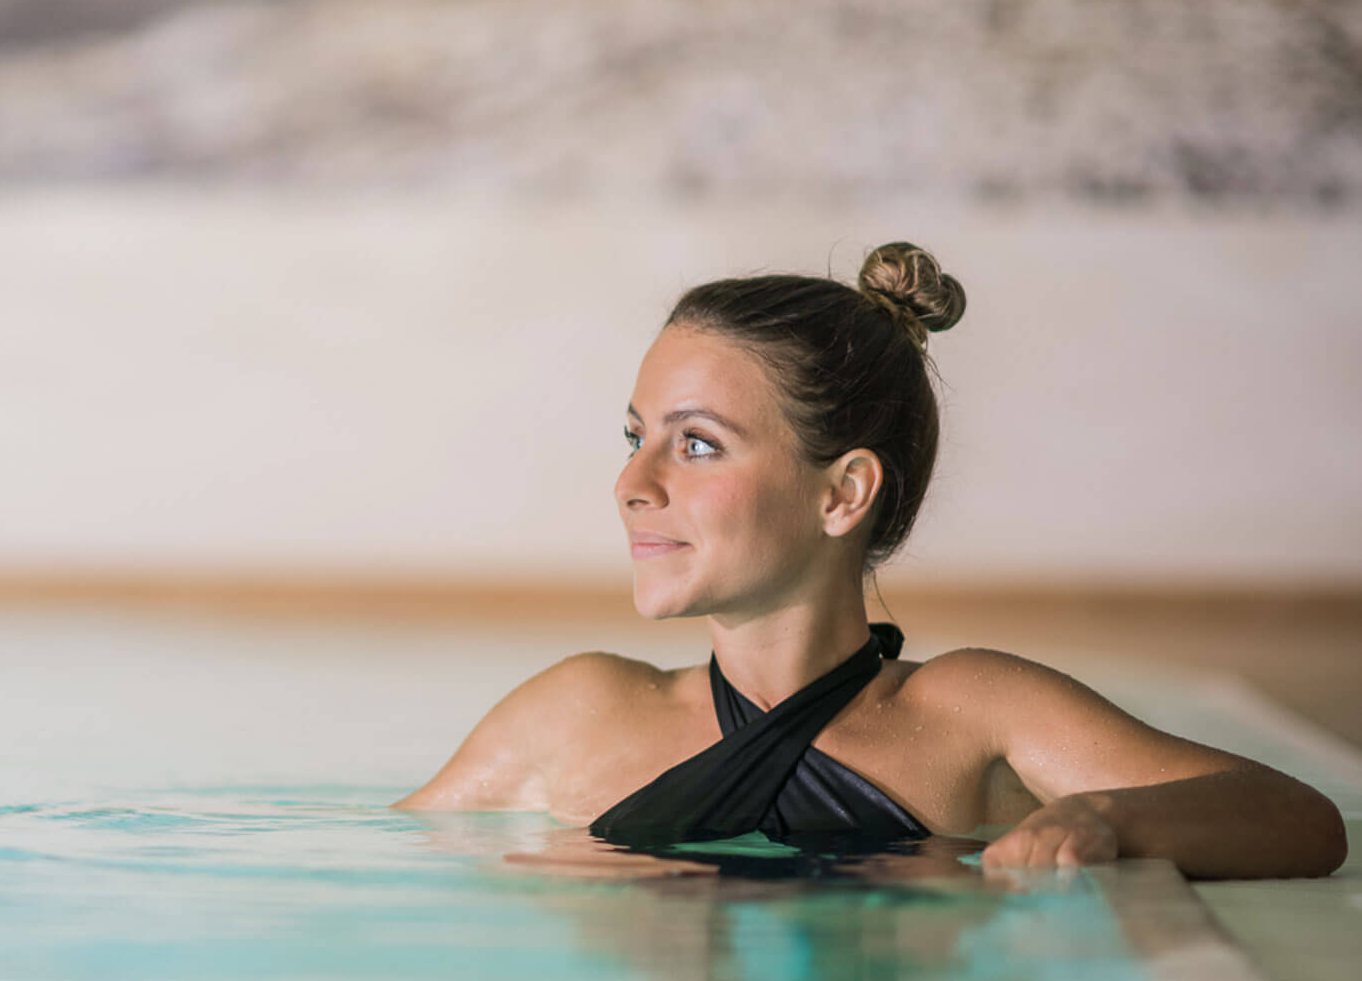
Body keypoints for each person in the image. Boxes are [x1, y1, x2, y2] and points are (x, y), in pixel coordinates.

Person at [394, 242, 1347, 881]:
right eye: (635, 436)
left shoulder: (973, 713)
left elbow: (1298, 817)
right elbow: (388, 862)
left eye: (696, 445)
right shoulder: (575, 713)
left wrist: (1109, 821)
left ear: (843, 493)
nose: (631, 484)